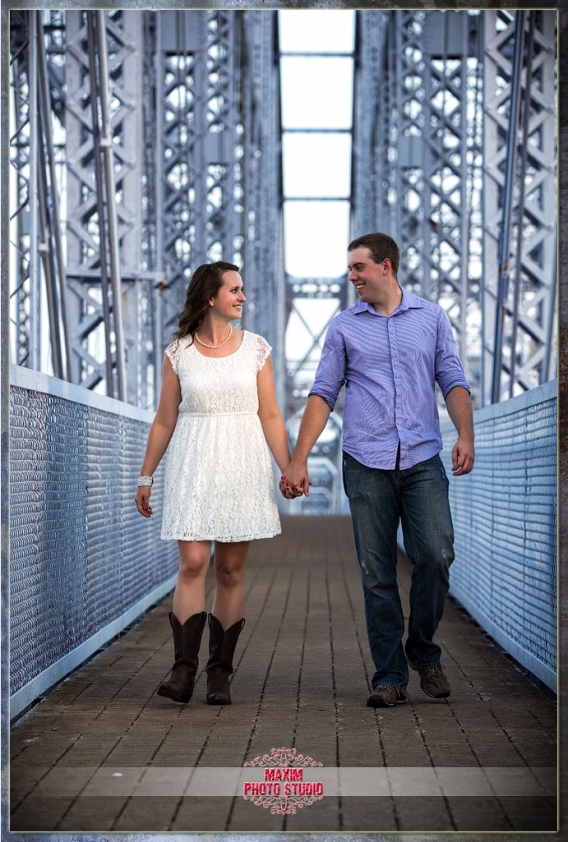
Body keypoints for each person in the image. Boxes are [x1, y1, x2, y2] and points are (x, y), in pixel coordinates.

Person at [280, 233, 474, 708]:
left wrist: (466, 436)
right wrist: (299, 457)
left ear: (385, 267)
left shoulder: (431, 318)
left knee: (436, 554)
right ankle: (390, 676)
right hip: (366, 460)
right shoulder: (344, 327)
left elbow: (452, 379)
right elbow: (323, 392)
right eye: (350, 269)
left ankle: (423, 650)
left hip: (423, 456)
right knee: (376, 573)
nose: (351, 278)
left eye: (358, 268)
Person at [135, 261, 291, 706]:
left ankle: (218, 674)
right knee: (193, 562)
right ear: (210, 297)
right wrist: (146, 474)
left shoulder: (257, 349)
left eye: (243, 290)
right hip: (192, 462)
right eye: (235, 290)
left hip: (242, 463)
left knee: (229, 570)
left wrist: (289, 467)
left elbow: (271, 415)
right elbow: (165, 419)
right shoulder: (178, 352)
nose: (242, 297)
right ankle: (182, 672)